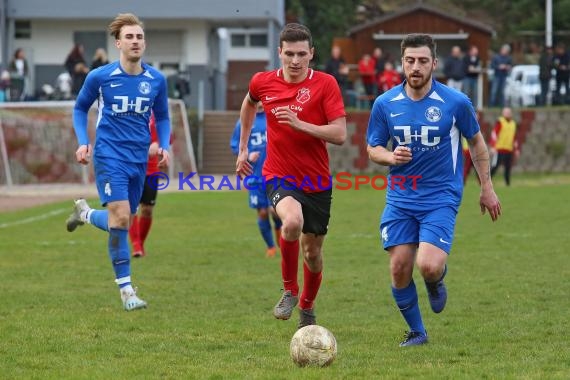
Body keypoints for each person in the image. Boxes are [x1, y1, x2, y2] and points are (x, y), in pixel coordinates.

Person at [366, 33, 501, 347]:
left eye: (422, 61)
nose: (416, 67)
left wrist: (487, 188)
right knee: (399, 266)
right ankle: (417, 332)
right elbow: (373, 148)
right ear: (402, 63)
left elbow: (477, 143)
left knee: (427, 265)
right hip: (400, 196)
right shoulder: (385, 104)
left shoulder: (455, 102)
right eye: (410, 60)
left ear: (434, 64)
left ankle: (435, 279)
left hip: (440, 196)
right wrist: (390, 156)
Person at [235, 23, 346, 329]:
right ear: (279, 53)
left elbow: (339, 134)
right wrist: (242, 148)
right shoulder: (263, 82)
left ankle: (307, 308)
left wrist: (301, 125)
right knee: (292, 221)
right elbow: (248, 103)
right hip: (278, 174)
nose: (295, 61)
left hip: (316, 181)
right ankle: (289, 289)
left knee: (313, 253)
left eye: (301, 54)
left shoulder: (326, 84)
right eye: (289, 54)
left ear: (312, 54)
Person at [65, 13, 171, 311]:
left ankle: (84, 214)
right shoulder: (100, 76)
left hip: (139, 159)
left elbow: (162, 116)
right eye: (129, 37)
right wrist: (83, 141)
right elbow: (79, 109)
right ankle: (127, 293)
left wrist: (162, 144)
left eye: (139, 37)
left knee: (119, 221)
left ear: (144, 43)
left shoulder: (156, 80)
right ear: (118, 43)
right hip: (109, 154)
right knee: (122, 217)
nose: (135, 41)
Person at [230, 102, 283, 258]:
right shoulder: (244, 120)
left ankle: (281, 238)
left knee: (276, 210)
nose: (259, 103)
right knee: (262, 213)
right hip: (255, 176)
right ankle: (271, 247)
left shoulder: (274, 118)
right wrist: (247, 154)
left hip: (275, 174)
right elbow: (234, 145)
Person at [129, 113, 164, 258]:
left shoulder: (156, 115)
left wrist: (158, 144)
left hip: (151, 170)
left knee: (147, 209)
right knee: (131, 210)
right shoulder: (127, 111)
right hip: (131, 168)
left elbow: (165, 134)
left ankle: (140, 245)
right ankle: (136, 245)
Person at [490, 107, 520, 186]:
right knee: (495, 166)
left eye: (509, 112)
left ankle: (507, 184)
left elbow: (515, 137)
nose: (507, 114)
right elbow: (494, 134)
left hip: (509, 149)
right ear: (503, 113)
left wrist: (516, 149)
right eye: (506, 112)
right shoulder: (500, 122)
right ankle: (486, 182)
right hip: (499, 148)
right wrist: (493, 146)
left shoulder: (513, 124)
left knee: (508, 167)